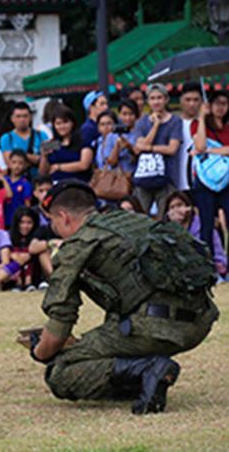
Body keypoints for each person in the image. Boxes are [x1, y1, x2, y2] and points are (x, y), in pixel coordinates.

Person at [29, 180, 218, 414]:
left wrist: (40, 352)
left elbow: (59, 326)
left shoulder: (77, 245)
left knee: (60, 372)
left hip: (156, 327)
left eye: (54, 223)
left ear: (64, 217)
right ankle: (147, 377)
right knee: (115, 325)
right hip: (199, 321)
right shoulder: (133, 221)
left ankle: (146, 370)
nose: (55, 229)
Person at [189, 90, 229, 255]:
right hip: (204, 181)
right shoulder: (197, 124)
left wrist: (210, 150)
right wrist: (202, 118)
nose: (220, 107)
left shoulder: (227, 128)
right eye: (217, 103)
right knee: (206, 225)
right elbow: (199, 146)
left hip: (227, 180)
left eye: (224, 103)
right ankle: (209, 264)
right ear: (209, 105)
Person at [133, 83, 183, 214]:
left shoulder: (175, 121)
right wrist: (155, 126)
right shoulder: (141, 122)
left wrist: (149, 148)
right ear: (148, 101)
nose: (156, 102)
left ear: (166, 99)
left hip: (167, 177)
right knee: (141, 215)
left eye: (159, 98)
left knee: (165, 216)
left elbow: (172, 149)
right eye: (153, 98)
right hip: (144, 177)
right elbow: (138, 148)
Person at [161, 190, 227, 280]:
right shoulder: (166, 232)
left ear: (188, 207)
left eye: (179, 205)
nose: (176, 210)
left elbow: (219, 256)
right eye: (172, 207)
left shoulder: (204, 226)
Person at [38, 105, 94, 183]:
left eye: (65, 122)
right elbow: (43, 173)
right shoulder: (52, 144)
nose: (62, 126)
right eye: (58, 123)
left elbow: (84, 165)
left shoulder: (82, 142)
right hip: (56, 184)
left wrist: (58, 167)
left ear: (72, 123)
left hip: (79, 184)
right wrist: (44, 156)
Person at [0, 102, 48, 180]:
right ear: (12, 118)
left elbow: (48, 160)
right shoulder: (6, 138)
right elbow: (10, 163)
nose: (22, 119)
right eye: (18, 116)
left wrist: (20, 157)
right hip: (17, 182)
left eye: (25, 116)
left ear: (30, 117)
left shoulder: (42, 135)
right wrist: (37, 159)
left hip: (39, 180)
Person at [177, 82, 202, 191]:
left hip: (204, 182)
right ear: (181, 100)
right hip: (178, 183)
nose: (192, 104)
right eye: (188, 100)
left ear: (201, 101)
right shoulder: (174, 124)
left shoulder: (208, 124)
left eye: (196, 100)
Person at [3, 149, 32, 227]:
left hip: (18, 220)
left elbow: (27, 204)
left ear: (26, 165)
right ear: (9, 164)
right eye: (14, 162)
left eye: (21, 163)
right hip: (3, 218)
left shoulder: (25, 184)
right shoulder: (3, 181)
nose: (17, 166)